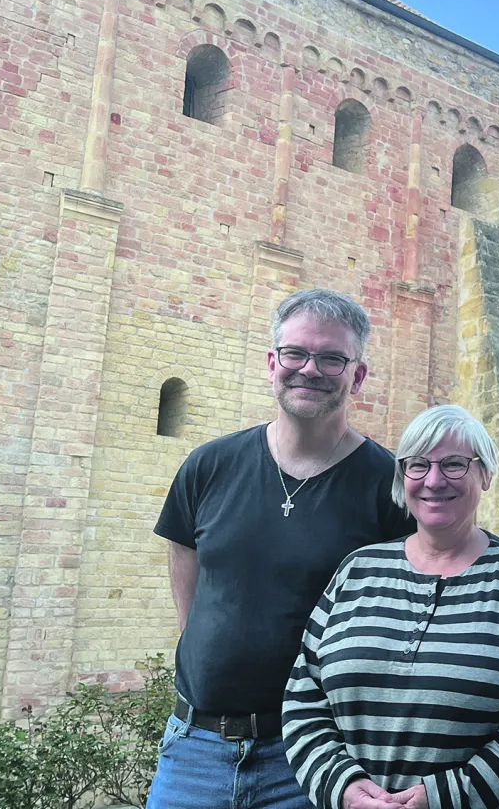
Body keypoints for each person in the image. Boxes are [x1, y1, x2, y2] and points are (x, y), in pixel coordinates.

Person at [150, 288, 415, 809]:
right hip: (194, 746)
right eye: (295, 353)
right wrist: (200, 643)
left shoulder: (389, 486)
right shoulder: (209, 465)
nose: (309, 369)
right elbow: (184, 550)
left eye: (332, 358)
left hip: (314, 759)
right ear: (273, 363)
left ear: (358, 375)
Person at [284, 403, 499, 809]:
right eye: (417, 465)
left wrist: (446, 797)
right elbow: (303, 697)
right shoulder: (358, 570)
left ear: (486, 474)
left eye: (454, 464)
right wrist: (344, 789)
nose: (434, 480)